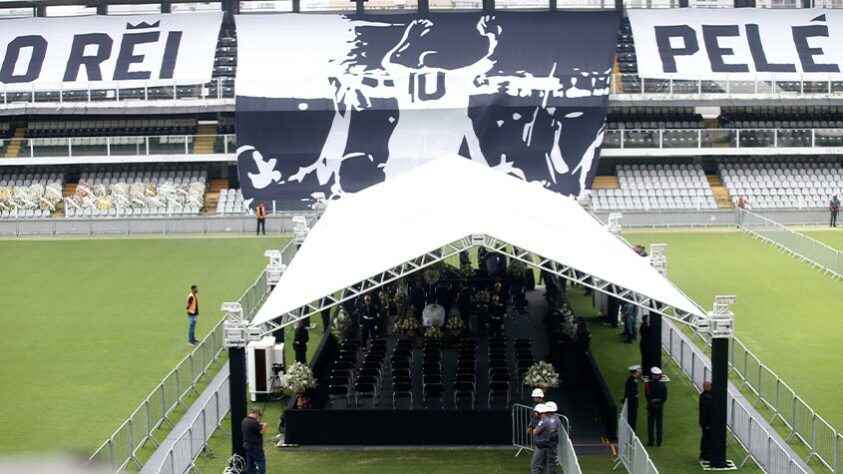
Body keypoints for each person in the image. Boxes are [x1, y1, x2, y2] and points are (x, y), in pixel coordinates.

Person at [645, 366, 668, 447]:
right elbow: (665, 398)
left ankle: (651, 442)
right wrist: (659, 404)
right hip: (659, 407)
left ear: (652, 375)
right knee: (659, 425)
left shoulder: (648, 384)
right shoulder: (663, 385)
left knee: (650, 425)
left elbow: (647, 397)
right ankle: (659, 442)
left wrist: (651, 403)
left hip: (651, 407)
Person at [241, 407, 267, 474]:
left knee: (250, 463)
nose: (258, 417)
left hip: (247, 445)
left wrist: (259, 424)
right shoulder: (254, 422)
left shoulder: (244, 420)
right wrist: (264, 426)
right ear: (256, 413)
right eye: (258, 415)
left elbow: (253, 428)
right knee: (261, 461)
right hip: (255, 447)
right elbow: (261, 431)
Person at [530, 404, 552, 474]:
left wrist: (534, 430)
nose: (535, 413)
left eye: (536, 411)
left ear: (540, 412)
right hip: (545, 444)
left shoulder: (543, 421)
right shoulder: (547, 420)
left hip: (541, 446)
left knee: (534, 466)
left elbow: (534, 432)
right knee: (544, 466)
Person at [544, 401, 561, 474]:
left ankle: (552, 472)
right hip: (551, 440)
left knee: (551, 458)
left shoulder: (552, 419)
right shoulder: (552, 417)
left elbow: (551, 430)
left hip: (551, 441)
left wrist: (546, 438)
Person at [623, 365, 641, 431]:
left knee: (632, 419)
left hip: (631, 402)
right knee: (632, 419)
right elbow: (631, 393)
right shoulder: (633, 382)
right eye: (638, 371)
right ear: (635, 372)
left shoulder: (630, 380)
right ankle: (632, 433)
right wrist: (636, 395)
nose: (639, 372)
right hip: (632, 403)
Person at [699, 381, 713, 462]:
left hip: (704, 422)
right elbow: (707, 412)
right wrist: (708, 424)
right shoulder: (706, 398)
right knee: (707, 439)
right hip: (706, 423)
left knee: (705, 438)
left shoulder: (704, 395)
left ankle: (704, 453)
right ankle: (706, 454)